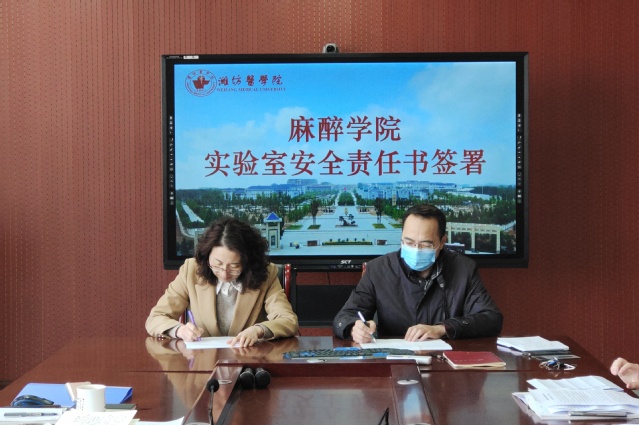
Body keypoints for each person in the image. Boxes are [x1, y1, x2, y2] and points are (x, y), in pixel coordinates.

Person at [333, 204, 503, 343]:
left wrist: (443, 328)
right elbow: (344, 317)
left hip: (446, 362)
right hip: (395, 362)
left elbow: (491, 319)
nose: (416, 249)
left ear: (442, 242)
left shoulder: (464, 269)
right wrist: (353, 328)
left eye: (425, 244)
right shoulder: (378, 269)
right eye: (409, 242)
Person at [145, 217, 299, 347]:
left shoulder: (267, 274)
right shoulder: (191, 271)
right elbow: (155, 318)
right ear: (207, 256)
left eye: (235, 266)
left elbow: (288, 320)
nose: (224, 273)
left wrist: (259, 330)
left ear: (248, 262)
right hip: (202, 363)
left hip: (249, 361)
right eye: (217, 264)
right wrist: (179, 330)